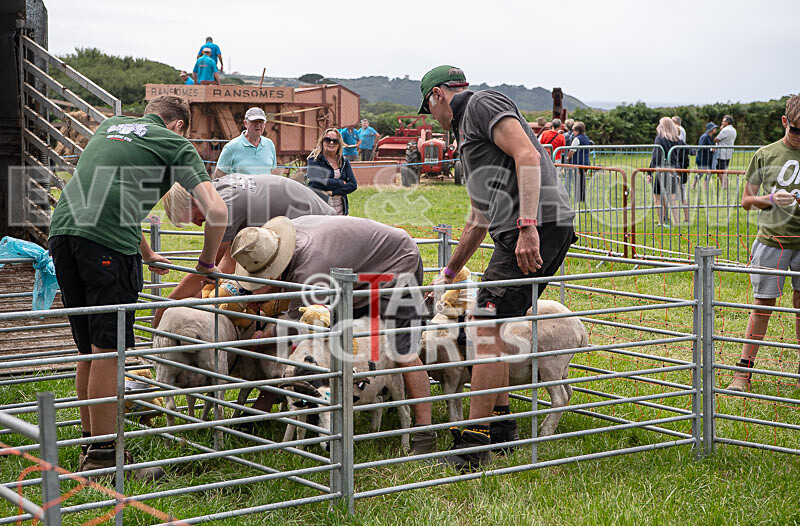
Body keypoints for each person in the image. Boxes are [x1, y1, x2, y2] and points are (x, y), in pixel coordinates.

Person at [48, 95, 228, 479]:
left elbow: (110, 196)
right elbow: (216, 211)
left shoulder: (109, 129)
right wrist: (205, 264)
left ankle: (89, 445)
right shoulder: (174, 143)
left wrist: (146, 253)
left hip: (64, 233)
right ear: (178, 125)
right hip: (106, 246)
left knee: (89, 348)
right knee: (108, 351)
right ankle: (103, 461)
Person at [418, 65, 575, 472]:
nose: (432, 118)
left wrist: (526, 226)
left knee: (483, 328)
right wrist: (448, 275)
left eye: (428, 108)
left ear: (438, 95)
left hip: (534, 226)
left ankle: (474, 442)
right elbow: (477, 220)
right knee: (494, 323)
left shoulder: (481, 104)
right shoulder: (468, 137)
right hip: (518, 230)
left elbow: (526, 153)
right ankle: (503, 428)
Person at [230, 215, 437, 455]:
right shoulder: (278, 241)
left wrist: (266, 334)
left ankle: (424, 433)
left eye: (260, 283)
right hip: (354, 276)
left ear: (274, 272)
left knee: (401, 347)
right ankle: (356, 401)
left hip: (397, 262)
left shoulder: (308, 271)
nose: (258, 290)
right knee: (343, 339)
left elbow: (299, 329)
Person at [155, 172, 335, 325]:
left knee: (303, 306)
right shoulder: (218, 190)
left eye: (194, 217)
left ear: (193, 199)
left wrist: (164, 309)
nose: (197, 224)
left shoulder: (224, 207)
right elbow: (229, 260)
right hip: (307, 220)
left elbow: (206, 269)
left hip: (319, 228)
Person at [727, 95, 800, 392]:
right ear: (785, 122)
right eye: (796, 130)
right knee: (763, 307)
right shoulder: (766, 154)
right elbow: (746, 201)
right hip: (772, 242)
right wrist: (769, 200)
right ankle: (742, 375)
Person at [306, 128, 357, 215]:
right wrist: (340, 183)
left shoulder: (344, 161)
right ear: (322, 141)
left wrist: (333, 192)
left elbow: (353, 185)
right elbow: (315, 182)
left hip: (341, 211)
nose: (331, 143)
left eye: (335, 141)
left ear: (339, 144)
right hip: (321, 210)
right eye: (327, 140)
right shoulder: (314, 160)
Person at [649, 116, 688, 227]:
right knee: (672, 199)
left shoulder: (659, 138)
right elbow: (686, 153)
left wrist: (649, 172)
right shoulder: (677, 139)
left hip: (661, 170)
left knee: (657, 198)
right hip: (673, 171)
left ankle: (661, 222)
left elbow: (655, 156)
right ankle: (676, 222)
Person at [214, 107, 277, 177]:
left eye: (261, 122)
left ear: (265, 124)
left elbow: (272, 172)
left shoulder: (269, 144)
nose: (258, 125)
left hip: (264, 188)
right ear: (245, 123)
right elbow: (218, 176)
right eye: (254, 121)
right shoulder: (231, 147)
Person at [566, 121, 590, 202]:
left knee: (577, 181)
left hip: (578, 162)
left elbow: (572, 150)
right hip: (585, 162)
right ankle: (582, 197)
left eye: (574, 130)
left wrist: (568, 158)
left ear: (577, 131)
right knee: (582, 181)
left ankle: (578, 197)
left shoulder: (577, 139)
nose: (573, 132)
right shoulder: (586, 138)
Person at [693, 122, 718, 189]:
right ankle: (693, 185)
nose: (715, 129)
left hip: (709, 158)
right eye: (714, 128)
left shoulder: (711, 137)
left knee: (709, 173)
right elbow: (701, 147)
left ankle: (705, 187)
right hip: (702, 158)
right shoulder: (704, 137)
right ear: (710, 129)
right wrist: (710, 149)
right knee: (700, 173)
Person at [714, 115, 737, 189]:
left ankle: (724, 186)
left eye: (723, 121)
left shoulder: (725, 130)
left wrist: (721, 130)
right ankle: (725, 185)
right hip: (729, 152)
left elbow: (717, 139)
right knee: (725, 170)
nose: (722, 122)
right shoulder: (734, 130)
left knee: (721, 170)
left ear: (727, 122)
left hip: (722, 153)